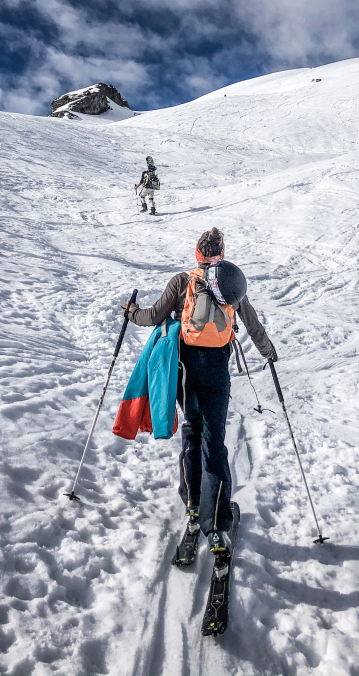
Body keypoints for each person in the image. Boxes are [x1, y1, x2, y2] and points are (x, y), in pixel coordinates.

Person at [122, 227, 277, 557]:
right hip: (217, 370)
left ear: (197, 252)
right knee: (213, 441)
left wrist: (130, 312)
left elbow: (151, 317)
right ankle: (217, 524)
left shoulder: (182, 282)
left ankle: (192, 506)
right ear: (222, 252)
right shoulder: (229, 283)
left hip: (185, 371)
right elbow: (251, 324)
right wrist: (268, 352)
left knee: (192, 434)